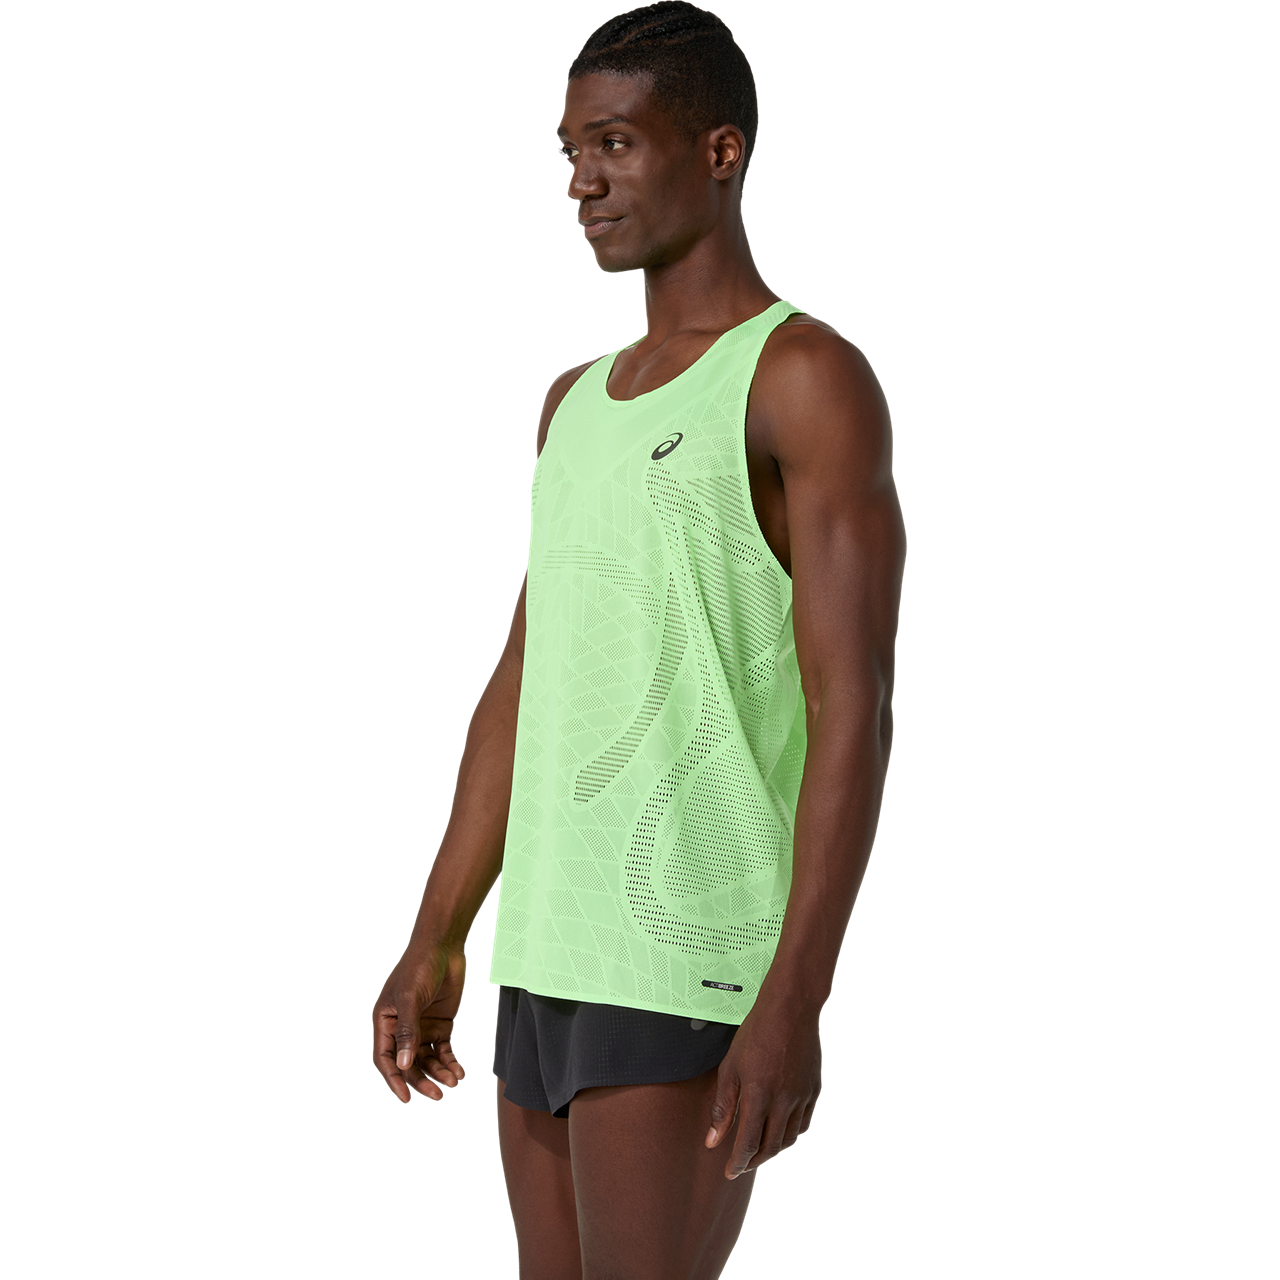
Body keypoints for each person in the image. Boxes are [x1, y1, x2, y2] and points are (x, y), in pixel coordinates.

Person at [372, 3, 907, 1275]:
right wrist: (437, 931)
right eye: (569, 151)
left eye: (612, 143)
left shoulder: (802, 378)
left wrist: (795, 993)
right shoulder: (570, 403)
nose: (580, 182)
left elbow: (853, 705)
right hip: (546, 946)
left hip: (687, 957)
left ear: (719, 150)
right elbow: (524, 681)